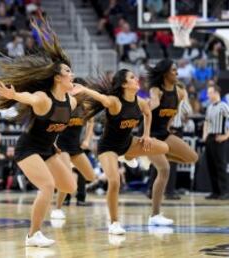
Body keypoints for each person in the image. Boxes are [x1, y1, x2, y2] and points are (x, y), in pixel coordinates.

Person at [0, 17, 77, 247]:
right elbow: (27, 97)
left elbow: (60, 122)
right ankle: (32, 235)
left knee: (70, 187)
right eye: (68, 71)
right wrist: (14, 96)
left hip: (48, 149)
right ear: (57, 77)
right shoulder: (43, 98)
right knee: (48, 186)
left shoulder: (72, 101)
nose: (72, 74)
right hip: (28, 148)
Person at [73, 69, 169, 234]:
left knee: (164, 147)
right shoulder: (115, 102)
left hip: (127, 144)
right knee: (115, 181)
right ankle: (114, 223)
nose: (137, 79)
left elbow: (147, 114)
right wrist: (83, 89)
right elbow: (101, 98)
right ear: (124, 84)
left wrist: (146, 135)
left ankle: (128, 156)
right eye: (132, 77)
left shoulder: (139, 102)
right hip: (108, 148)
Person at [146, 59, 198, 226]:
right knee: (165, 170)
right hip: (150, 135)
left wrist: (168, 130)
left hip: (164, 133)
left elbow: (172, 114)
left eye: (177, 70)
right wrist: (149, 105)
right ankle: (154, 215)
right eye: (173, 70)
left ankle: (162, 155)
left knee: (192, 157)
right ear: (165, 73)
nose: (177, 72)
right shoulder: (156, 90)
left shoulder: (180, 92)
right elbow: (151, 106)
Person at [51, 77, 96, 220]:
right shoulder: (66, 103)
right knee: (67, 177)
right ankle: (57, 209)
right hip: (62, 145)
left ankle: (56, 181)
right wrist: (52, 143)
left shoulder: (85, 105)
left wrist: (87, 139)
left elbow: (91, 121)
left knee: (91, 176)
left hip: (75, 146)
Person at [203, 85, 229, 200]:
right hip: (210, 137)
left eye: (210, 93)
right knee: (211, 165)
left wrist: (226, 136)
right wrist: (205, 134)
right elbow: (207, 122)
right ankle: (215, 191)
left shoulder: (224, 106)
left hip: (220, 138)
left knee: (221, 165)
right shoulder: (209, 107)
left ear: (216, 93)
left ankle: (224, 192)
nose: (208, 95)